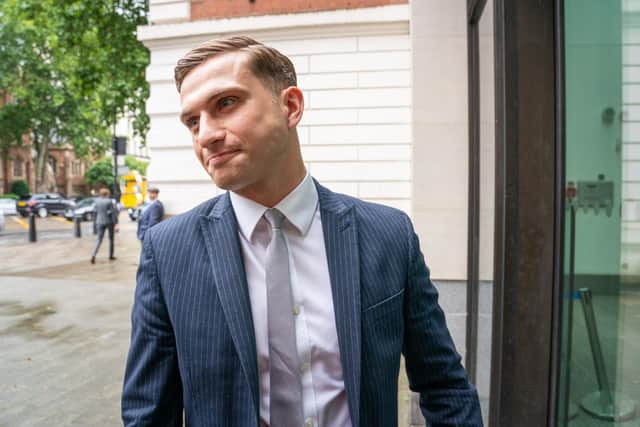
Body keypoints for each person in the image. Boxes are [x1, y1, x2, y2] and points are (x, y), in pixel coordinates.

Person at [122, 36, 482, 427]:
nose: (205, 135)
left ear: (290, 106)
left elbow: (444, 385)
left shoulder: (388, 235)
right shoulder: (167, 250)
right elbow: (149, 413)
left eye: (226, 103)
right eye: (193, 121)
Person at [91, 188, 118, 264]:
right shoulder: (109, 201)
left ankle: (94, 254)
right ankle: (111, 255)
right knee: (111, 239)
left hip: (99, 221)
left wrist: (95, 221)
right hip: (109, 222)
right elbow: (113, 213)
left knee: (99, 240)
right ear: (107, 194)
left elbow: (94, 212)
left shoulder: (96, 201)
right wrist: (116, 223)